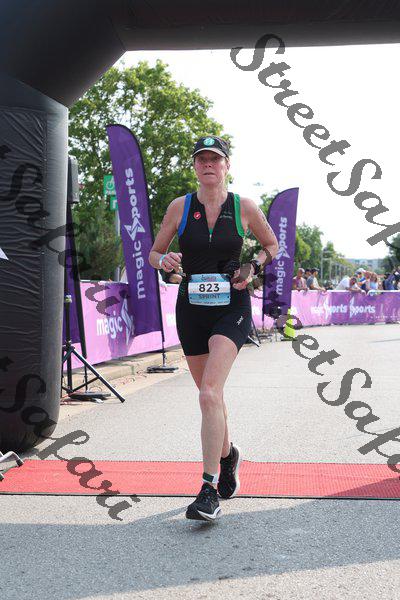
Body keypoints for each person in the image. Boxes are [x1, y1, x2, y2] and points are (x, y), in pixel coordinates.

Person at [148, 135, 278, 522]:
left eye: (215, 159)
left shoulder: (244, 207)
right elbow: (154, 253)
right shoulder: (180, 207)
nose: (208, 164)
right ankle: (228, 455)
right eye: (201, 159)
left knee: (209, 392)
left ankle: (207, 490)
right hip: (191, 308)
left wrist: (252, 266)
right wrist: (164, 261)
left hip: (232, 307)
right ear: (194, 166)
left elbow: (272, 246)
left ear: (226, 165)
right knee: (211, 398)